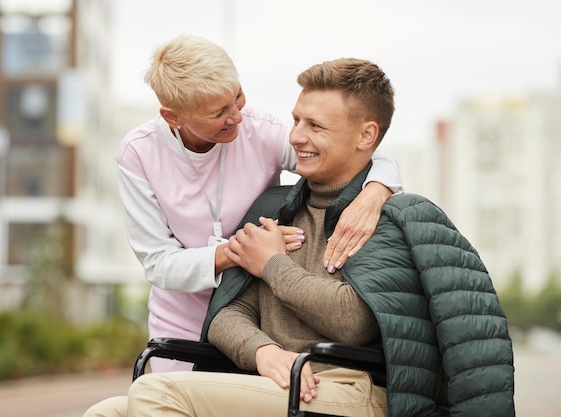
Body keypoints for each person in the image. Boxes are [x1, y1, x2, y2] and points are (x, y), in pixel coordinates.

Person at [122, 57, 515, 417]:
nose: (294, 137)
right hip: (275, 383)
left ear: (366, 136)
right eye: (296, 121)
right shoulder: (275, 207)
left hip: (350, 387)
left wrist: (271, 264)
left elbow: (353, 320)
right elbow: (228, 312)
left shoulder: (386, 219)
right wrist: (265, 351)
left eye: (315, 126)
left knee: (157, 394)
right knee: (109, 412)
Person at [115, 34, 403, 374]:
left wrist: (376, 191)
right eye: (219, 112)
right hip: (182, 322)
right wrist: (241, 251)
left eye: (237, 96)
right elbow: (159, 264)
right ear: (173, 116)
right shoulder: (138, 154)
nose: (237, 116)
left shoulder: (260, 130)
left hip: (257, 318)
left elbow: (359, 152)